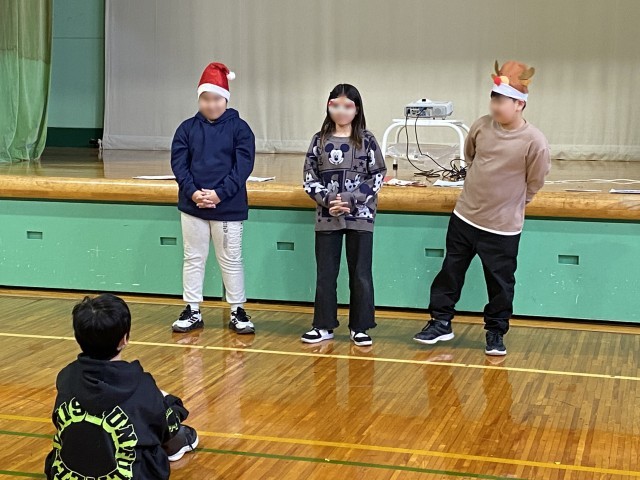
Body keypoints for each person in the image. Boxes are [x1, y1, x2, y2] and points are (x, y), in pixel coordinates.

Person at [413, 60, 551, 356]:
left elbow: (535, 181)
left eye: (502, 101)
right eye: (493, 99)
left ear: (519, 104)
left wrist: (513, 204)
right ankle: (440, 322)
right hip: (465, 217)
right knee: (450, 272)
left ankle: (495, 331)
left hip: (502, 228)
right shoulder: (480, 126)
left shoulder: (534, 141)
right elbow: (471, 156)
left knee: (500, 283)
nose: (495, 106)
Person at [44, 294, 198, 479]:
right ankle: (180, 440)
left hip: (65, 475)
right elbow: (166, 427)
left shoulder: (67, 377)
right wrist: (173, 404)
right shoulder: (142, 385)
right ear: (124, 339)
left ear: (78, 338)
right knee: (164, 416)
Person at [171, 62, 256, 334]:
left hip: (228, 207)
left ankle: (237, 310)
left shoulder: (240, 129)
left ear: (226, 99)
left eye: (217, 99)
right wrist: (193, 192)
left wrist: (219, 194)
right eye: (206, 99)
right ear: (199, 99)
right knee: (193, 258)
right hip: (193, 206)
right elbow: (179, 165)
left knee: (231, 259)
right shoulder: (186, 129)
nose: (211, 105)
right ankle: (192, 309)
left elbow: (242, 167)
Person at [301, 84, 387, 347]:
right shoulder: (319, 140)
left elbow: (378, 175)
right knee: (326, 273)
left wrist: (352, 198)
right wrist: (329, 200)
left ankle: (360, 327)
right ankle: (323, 325)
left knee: (360, 273)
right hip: (328, 216)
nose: (341, 111)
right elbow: (309, 177)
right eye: (335, 105)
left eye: (348, 106)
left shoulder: (367, 140)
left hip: (361, 216)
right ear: (328, 107)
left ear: (357, 109)